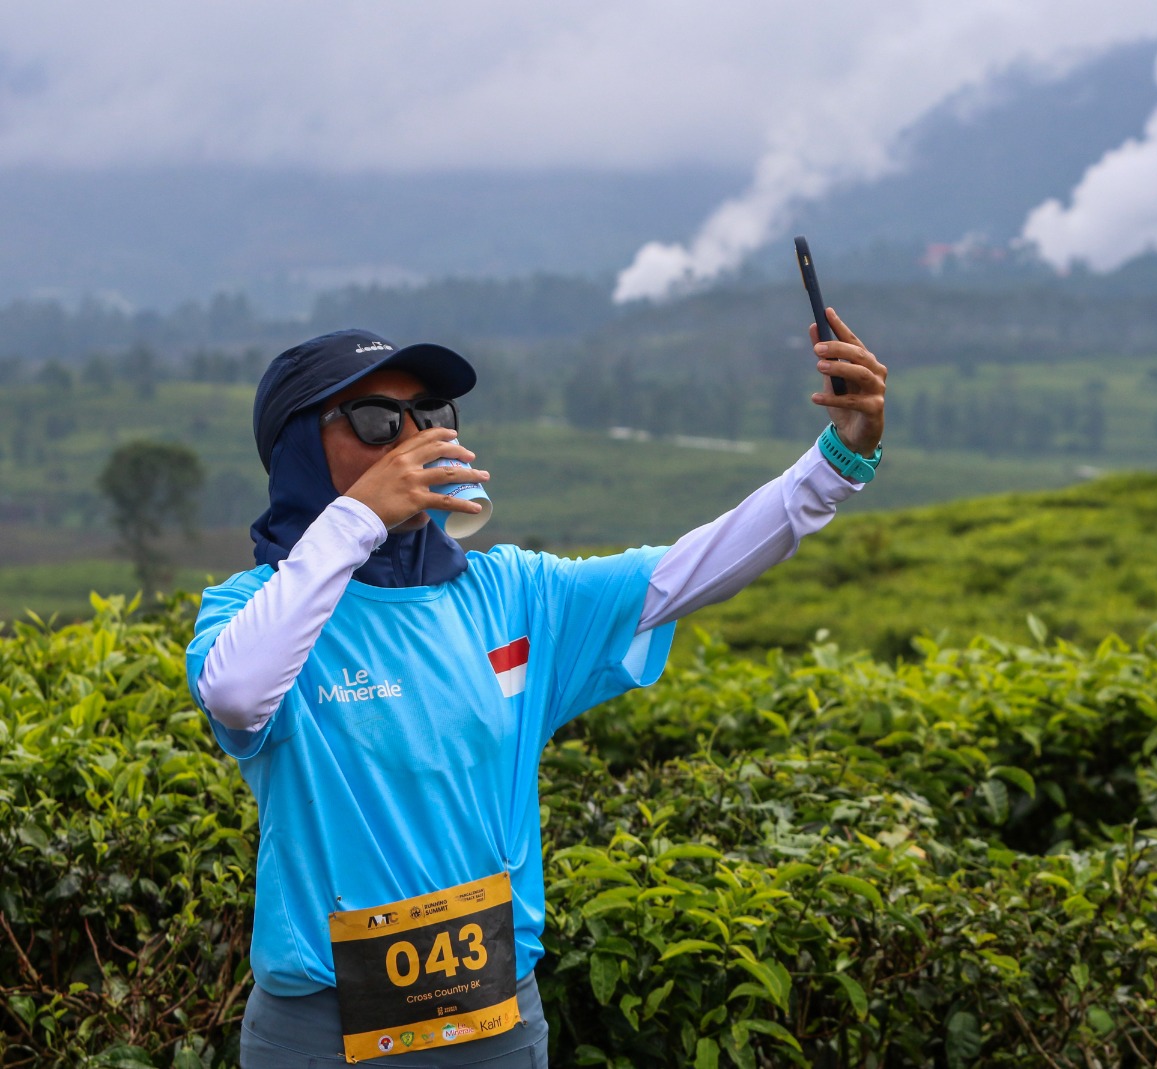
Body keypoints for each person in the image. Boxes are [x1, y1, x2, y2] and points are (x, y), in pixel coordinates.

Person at [185, 311, 886, 1068]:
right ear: (298, 447)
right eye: (378, 419)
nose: (413, 440)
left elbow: (691, 568)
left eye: (428, 416)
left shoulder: (515, 594)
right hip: (322, 1034)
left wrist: (840, 459)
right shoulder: (253, 611)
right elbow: (236, 694)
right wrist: (356, 518)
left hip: (496, 1022)